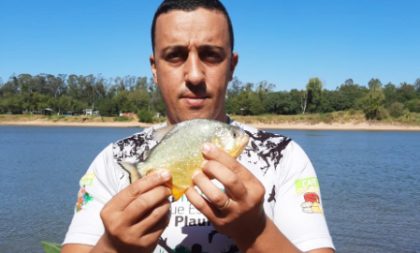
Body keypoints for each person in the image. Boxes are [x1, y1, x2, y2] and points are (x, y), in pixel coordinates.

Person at [61, 0, 335, 252]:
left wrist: (256, 232)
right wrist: (113, 246)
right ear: (154, 68)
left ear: (231, 66)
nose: (194, 75)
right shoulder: (113, 161)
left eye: (211, 55)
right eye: (175, 55)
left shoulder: (284, 157)